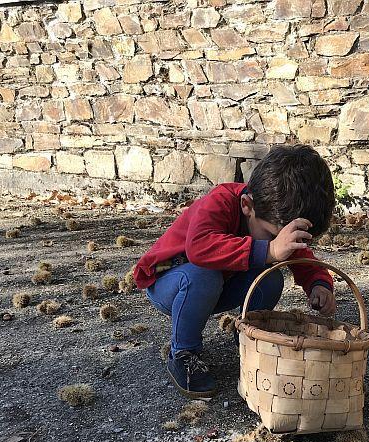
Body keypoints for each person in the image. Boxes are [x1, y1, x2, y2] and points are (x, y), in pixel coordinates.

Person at [134, 144, 337, 399]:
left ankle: (247, 335)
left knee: (270, 279)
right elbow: (199, 248)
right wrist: (271, 250)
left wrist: (319, 283)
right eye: (272, 235)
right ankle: (184, 353)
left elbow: (300, 254)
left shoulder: (269, 215)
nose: (275, 242)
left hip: (218, 287)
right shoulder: (219, 201)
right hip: (170, 284)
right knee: (204, 274)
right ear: (247, 205)